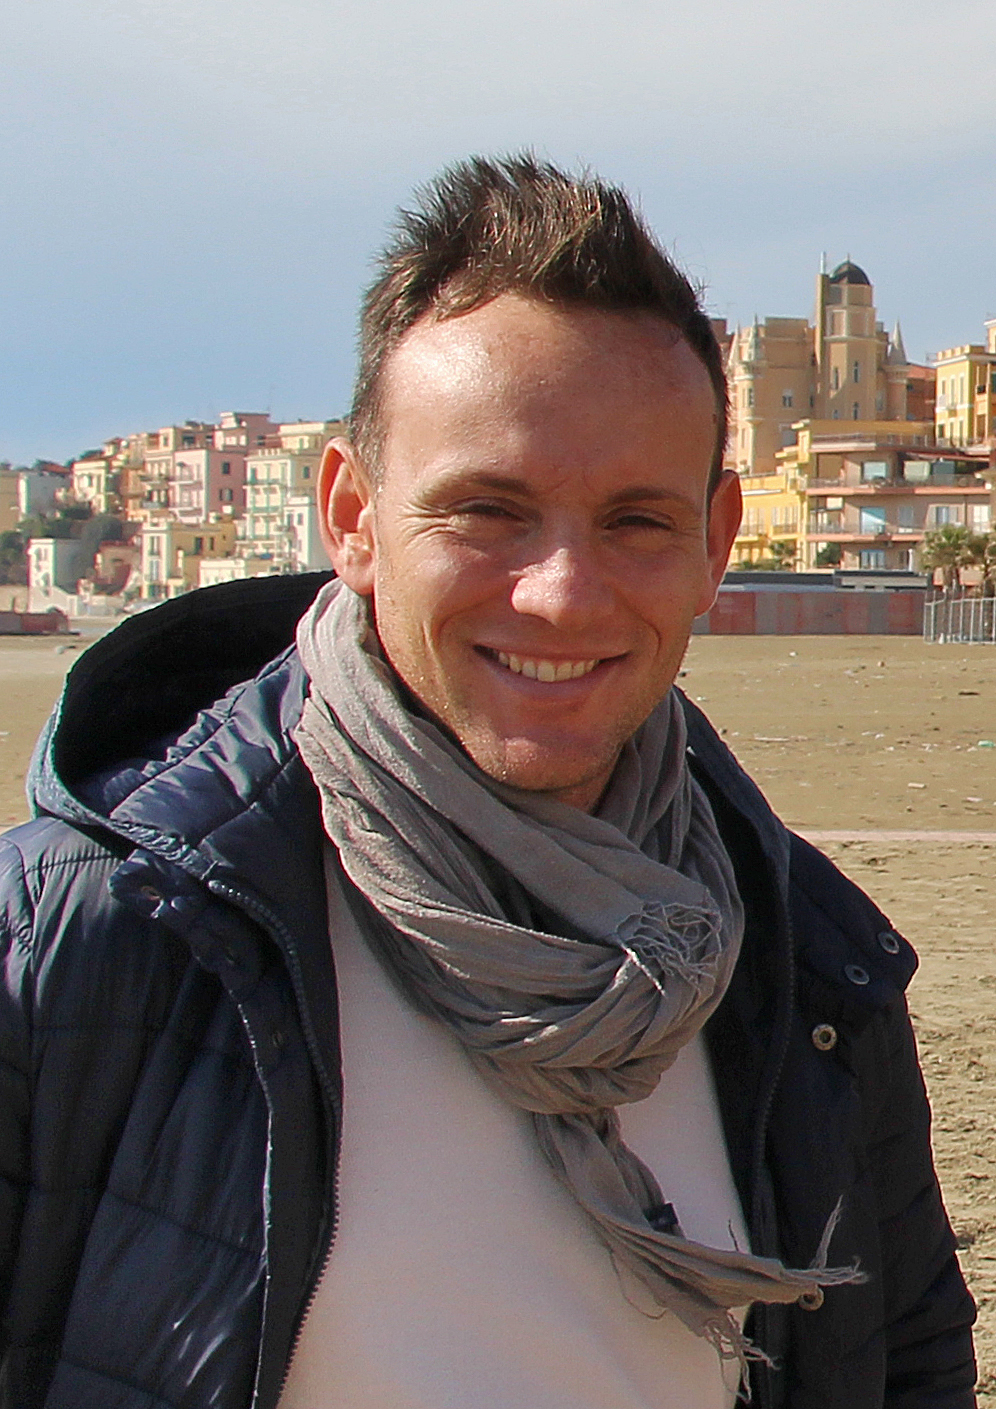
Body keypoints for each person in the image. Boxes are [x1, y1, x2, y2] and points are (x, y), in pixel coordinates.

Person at [0, 155, 976, 1409]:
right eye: (487, 511)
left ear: (716, 543)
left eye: (635, 520)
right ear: (352, 516)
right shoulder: (80, 942)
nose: (561, 594)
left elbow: (907, 1366)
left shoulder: (806, 964)